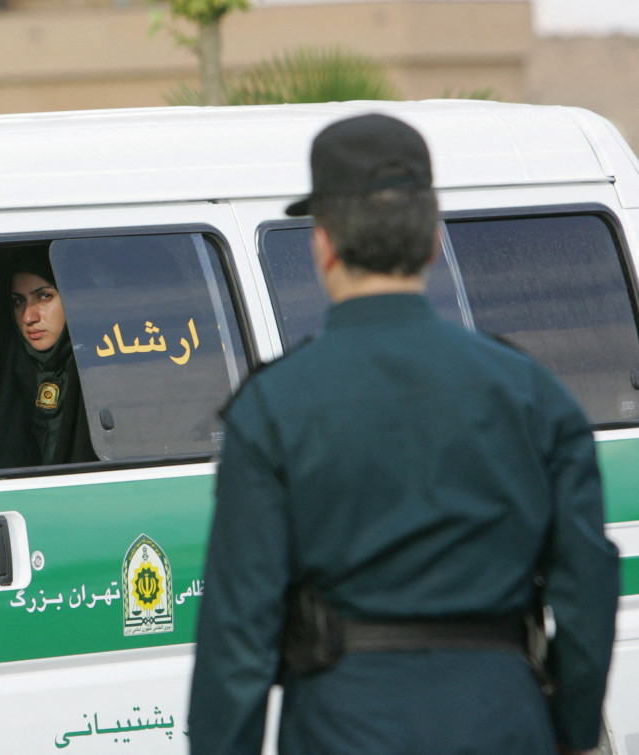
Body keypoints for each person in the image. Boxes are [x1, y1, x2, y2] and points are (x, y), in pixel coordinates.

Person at [188, 114, 619, 755]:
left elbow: (238, 636)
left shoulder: (272, 410)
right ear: (433, 243)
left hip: (342, 727)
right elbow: (587, 585)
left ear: (323, 246)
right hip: (504, 720)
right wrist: (572, 728)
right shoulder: (534, 395)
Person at [0, 250, 94, 468]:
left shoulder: (102, 367)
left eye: (44, 296)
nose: (28, 317)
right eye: (18, 301)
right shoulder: (3, 372)